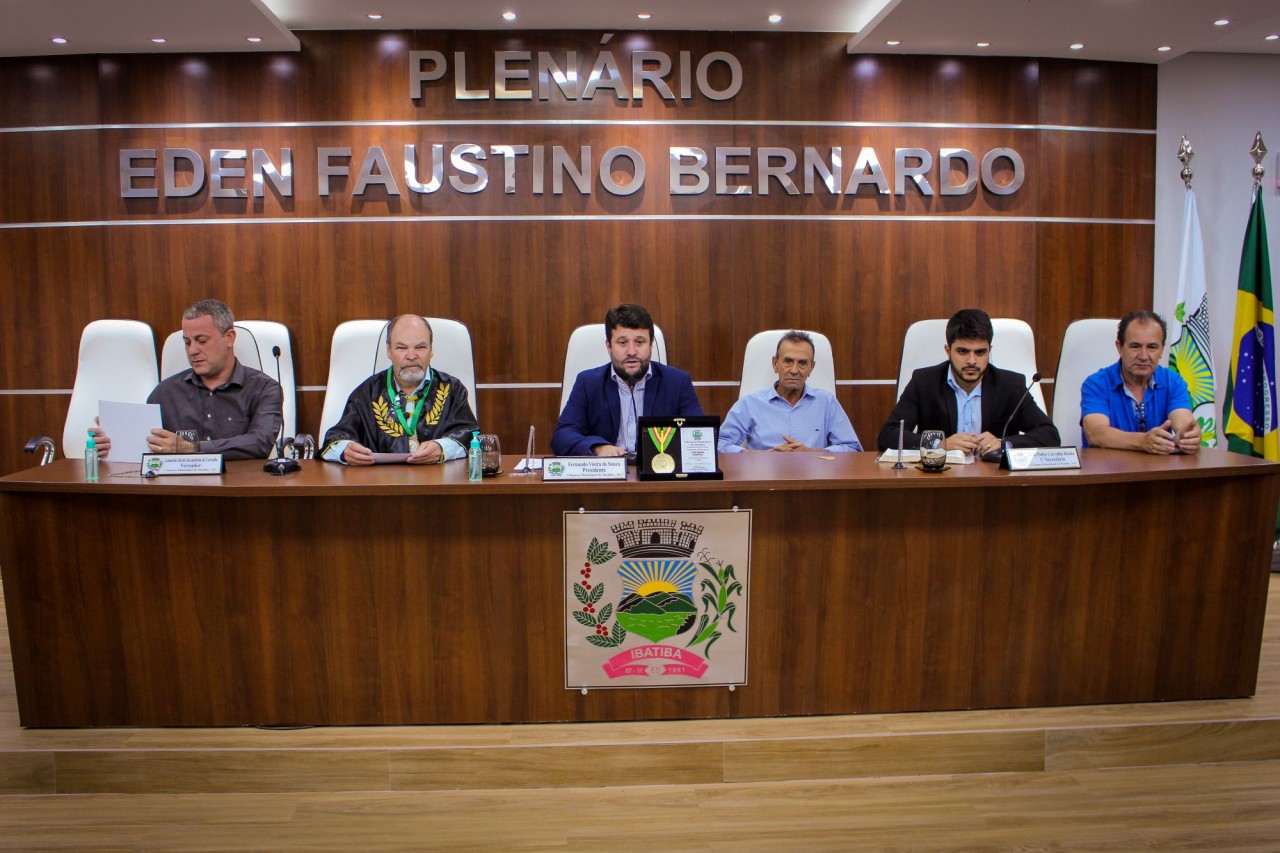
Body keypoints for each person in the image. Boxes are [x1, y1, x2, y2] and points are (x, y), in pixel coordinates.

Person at [92, 299, 283, 459]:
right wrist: (113, 443)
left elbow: (260, 443)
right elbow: (147, 446)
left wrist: (191, 448)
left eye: (201, 341)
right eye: (187, 342)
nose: (192, 350)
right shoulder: (165, 392)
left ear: (229, 338)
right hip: (180, 493)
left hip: (239, 492)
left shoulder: (264, 388)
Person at [876, 308, 1059, 454]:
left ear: (989, 350)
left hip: (994, 482)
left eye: (980, 352)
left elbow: (1049, 435)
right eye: (963, 351)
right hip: (940, 480)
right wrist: (939, 444)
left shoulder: (1010, 385)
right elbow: (888, 436)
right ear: (948, 350)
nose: (972, 361)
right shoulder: (924, 382)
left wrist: (1003, 443)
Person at [321, 314, 479, 465]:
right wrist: (346, 451)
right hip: (381, 486)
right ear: (389, 351)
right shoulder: (367, 392)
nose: (411, 355)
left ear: (431, 350)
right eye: (402, 348)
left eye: (420, 347)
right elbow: (336, 439)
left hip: (437, 485)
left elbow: (470, 435)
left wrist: (442, 448)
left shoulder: (452, 389)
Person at [552, 303, 703, 457]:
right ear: (609, 346)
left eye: (639, 342)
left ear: (650, 345)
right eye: (622, 343)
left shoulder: (677, 382)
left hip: (658, 472)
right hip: (608, 474)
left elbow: (699, 435)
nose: (631, 352)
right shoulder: (588, 383)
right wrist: (597, 447)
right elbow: (562, 436)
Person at [719, 331, 861, 453]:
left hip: (813, 480)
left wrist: (811, 453)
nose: (794, 370)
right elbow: (719, 444)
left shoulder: (826, 402)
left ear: (811, 367)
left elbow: (853, 448)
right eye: (788, 361)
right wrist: (761, 456)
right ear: (775, 364)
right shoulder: (750, 404)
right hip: (764, 479)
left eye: (802, 363)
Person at [1080, 310, 1201, 454]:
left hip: (1157, 472)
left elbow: (1183, 423)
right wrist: (1142, 441)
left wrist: (1186, 437)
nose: (1144, 356)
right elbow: (1096, 434)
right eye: (1135, 346)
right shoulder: (1096, 384)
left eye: (1152, 347)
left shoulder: (1173, 382)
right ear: (1120, 347)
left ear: (1162, 349)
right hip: (1108, 472)